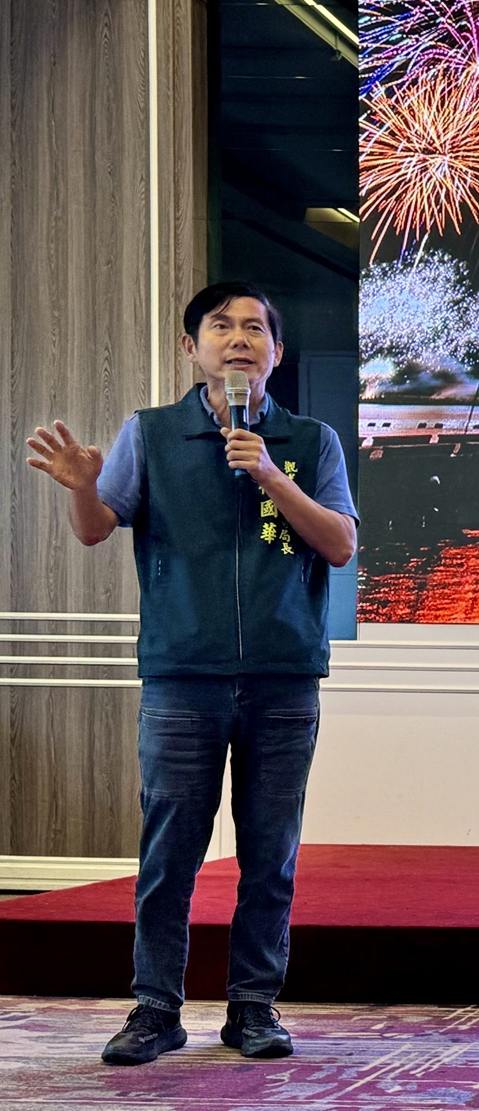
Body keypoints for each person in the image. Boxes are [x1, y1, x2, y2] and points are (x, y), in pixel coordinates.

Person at [26, 281, 357, 1065]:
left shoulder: (310, 440)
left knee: (270, 852)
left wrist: (271, 473)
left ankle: (253, 1007)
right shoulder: (151, 433)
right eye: (220, 326)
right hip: (182, 677)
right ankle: (155, 1008)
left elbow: (340, 544)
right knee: (169, 851)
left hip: (282, 678)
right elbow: (95, 530)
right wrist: (84, 486)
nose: (238, 338)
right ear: (191, 347)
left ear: (276, 351)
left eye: (255, 328)